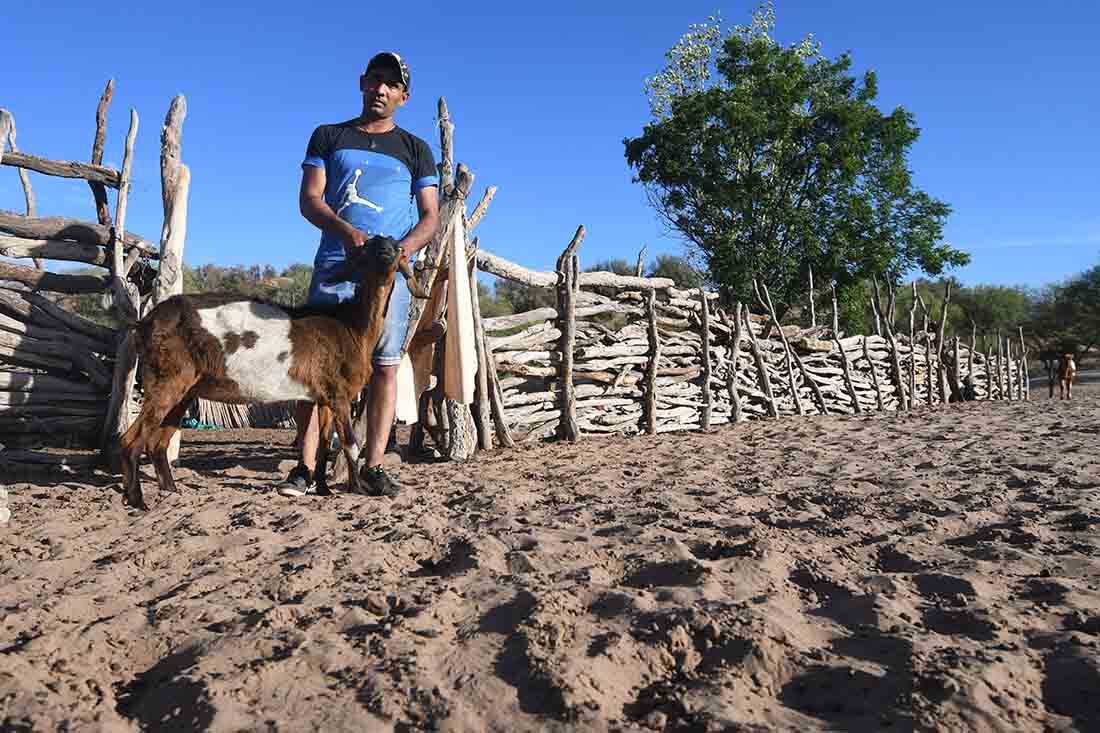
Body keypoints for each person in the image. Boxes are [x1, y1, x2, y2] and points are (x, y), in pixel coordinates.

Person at [279, 52, 439, 498]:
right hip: (335, 266)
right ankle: (305, 467)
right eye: (375, 80)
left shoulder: (416, 149)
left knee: (385, 366)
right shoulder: (329, 136)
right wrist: (346, 232)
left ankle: (372, 466)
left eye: (391, 84)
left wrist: (398, 253)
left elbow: (430, 218)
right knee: (313, 366)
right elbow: (310, 199)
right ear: (361, 83)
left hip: (388, 276)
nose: (381, 89)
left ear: (403, 97)